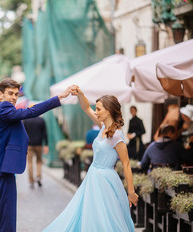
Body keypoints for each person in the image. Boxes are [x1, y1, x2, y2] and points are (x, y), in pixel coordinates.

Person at [0, 78, 75, 232]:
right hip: (1, 170)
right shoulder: (4, 109)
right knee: (7, 216)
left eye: (16, 94)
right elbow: (31, 111)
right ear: (0, 95)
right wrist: (59, 97)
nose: (13, 97)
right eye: (10, 93)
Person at [44, 85, 138, 232]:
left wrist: (131, 192)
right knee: (88, 213)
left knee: (105, 216)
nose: (96, 112)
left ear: (109, 111)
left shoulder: (117, 136)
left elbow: (126, 164)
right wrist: (80, 94)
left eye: (99, 109)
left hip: (106, 181)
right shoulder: (102, 127)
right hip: (93, 176)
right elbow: (86, 108)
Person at [23, 115, 48, 188]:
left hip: (29, 145)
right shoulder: (41, 120)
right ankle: (38, 177)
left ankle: (31, 180)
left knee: (30, 162)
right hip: (39, 144)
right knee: (39, 161)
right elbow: (45, 133)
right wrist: (46, 144)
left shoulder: (26, 120)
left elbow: (23, 133)